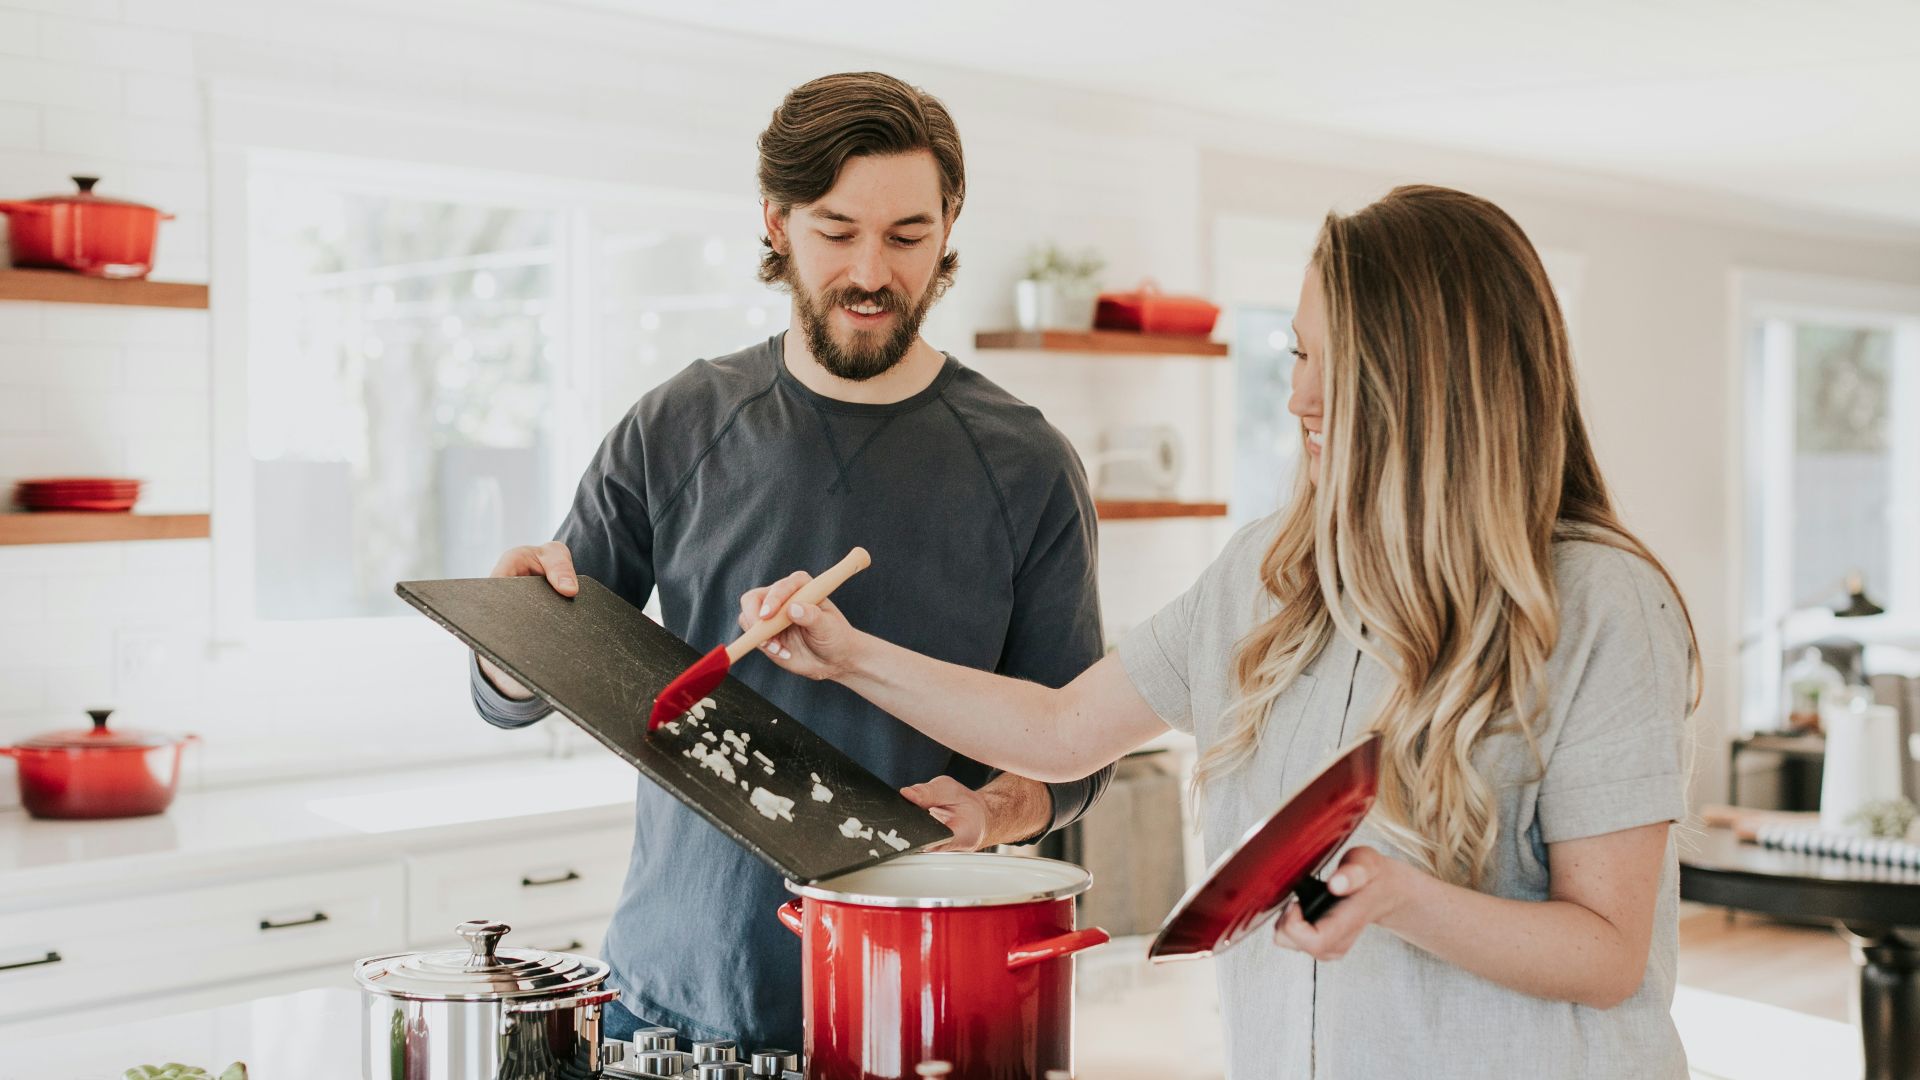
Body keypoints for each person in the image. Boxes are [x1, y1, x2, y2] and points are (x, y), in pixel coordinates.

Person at [742, 185, 1701, 1078]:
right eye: (1297, 353)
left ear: (1437, 384)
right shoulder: (1266, 575)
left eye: (1335, 363)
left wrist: (1404, 899)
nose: (1299, 399)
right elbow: (1065, 730)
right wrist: (849, 655)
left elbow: (1610, 952)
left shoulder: (1600, 603)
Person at [469, 71, 1111, 1051]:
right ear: (776, 221)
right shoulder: (677, 423)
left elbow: (1076, 754)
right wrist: (506, 641)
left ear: (947, 229)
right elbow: (531, 675)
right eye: (837, 230)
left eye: (906, 236)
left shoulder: (1026, 466)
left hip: (914, 1008)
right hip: (666, 1005)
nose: (871, 271)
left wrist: (991, 811)